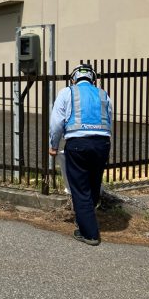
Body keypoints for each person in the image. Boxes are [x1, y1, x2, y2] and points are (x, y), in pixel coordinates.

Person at [49, 63, 112, 246]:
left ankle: (89, 233)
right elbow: (110, 120)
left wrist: (53, 145)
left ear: (73, 78)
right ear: (93, 79)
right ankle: (86, 218)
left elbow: (56, 123)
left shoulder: (67, 92)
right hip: (102, 143)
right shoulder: (103, 94)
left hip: (77, 144)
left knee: (80, 188)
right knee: (93, 184)